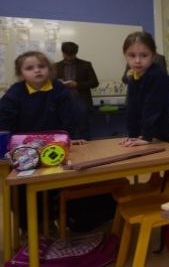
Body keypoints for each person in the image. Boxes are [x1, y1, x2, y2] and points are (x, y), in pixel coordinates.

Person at [0, 51, 78, 229]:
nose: (37, 71)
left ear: (49, 70)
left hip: (55, 147)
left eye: (41, 66)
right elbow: (4, 119)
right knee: (21, 190)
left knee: (55, 184)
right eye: (30, 68)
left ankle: (53, 219)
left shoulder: (58, 88)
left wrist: (72, 136)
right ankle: (29, 226)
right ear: (21, 74)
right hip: (23, 150)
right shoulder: (15, 92)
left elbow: (69, 116)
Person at [119, 32, 169, 147]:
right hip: (156, 135)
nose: (137, 60)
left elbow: (152, 109)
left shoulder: (158, 77)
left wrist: (146, 137)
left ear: (153, 55)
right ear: (125, 56)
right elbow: (132, 109)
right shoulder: (134, 77)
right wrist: (132, 136)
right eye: (132, 55)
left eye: (144, 55)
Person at [55, 42, 99, 140]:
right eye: (67, 55)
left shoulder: (86, 65)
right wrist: (57, 82)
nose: (69, 58)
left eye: (72, 55)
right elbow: (50, 85)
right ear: (62, 53)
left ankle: (88, 153)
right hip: (62, 104)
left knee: (84, 131)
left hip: (81, 102)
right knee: (65, 131)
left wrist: (77, 84)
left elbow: (95, 82)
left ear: (76, 53)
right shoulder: (55, 66)